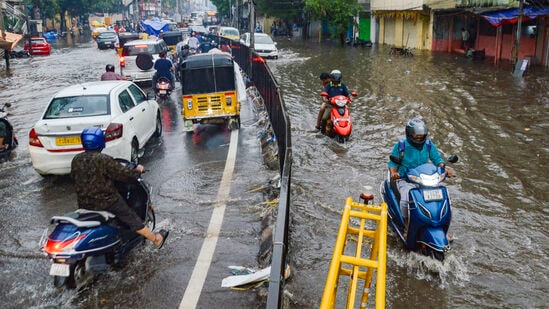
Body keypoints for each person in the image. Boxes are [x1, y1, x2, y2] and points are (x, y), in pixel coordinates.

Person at [71, 127, 169, 249]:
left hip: (84, 203)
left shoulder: (76, 160)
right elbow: (123, 174)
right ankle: (156, 240)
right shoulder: (103, 159)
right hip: (107, 202)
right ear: (100, 142)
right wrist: (137, 171)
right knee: (131, 217)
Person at [387, 118, 453, 222]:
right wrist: (394, 172)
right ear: (409, 134)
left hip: (424, 177)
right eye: (416, 135)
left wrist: (444, 168)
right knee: (405, 201)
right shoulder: (401, 146)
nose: (419, 137)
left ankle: (441, 223)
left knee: (441, 198)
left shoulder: (428, 144)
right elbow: (392, 163)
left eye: (421, 135)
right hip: (406, 179)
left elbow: (437, 159)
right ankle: (407, 223)